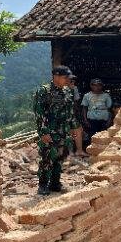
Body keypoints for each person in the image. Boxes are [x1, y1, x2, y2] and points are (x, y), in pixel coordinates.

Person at [33, 66, 79, 196]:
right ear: (56, 76)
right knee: (47, 158)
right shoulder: (44, 91)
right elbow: (39, 113)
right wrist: (44, 132)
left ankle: (55, 183)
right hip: (50, 132)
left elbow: (70, 112)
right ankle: (42, 185)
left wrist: (73, 128)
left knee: (60, 157)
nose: (68, 80)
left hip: (64, 132)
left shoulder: (67, 91)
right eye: (65, 78)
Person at [68, 75, 87, 157]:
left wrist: (77, 113)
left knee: (78, 130)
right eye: (71, 80)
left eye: (73, 81)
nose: (73, 82)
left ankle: (79, 150)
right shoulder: (60, 89)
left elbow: (76, 102)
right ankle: (70, 152)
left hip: (72, 113)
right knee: (68, 132)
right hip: (63, 115)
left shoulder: (74, 89)